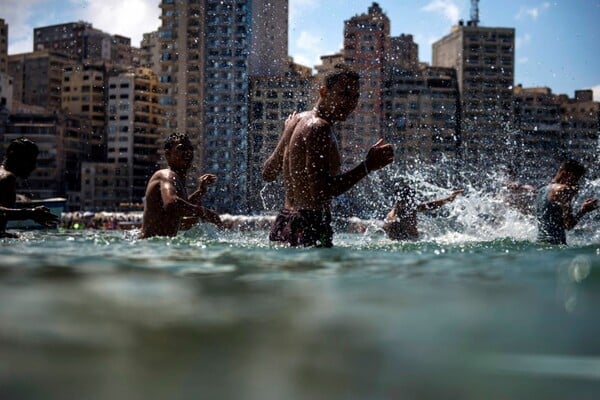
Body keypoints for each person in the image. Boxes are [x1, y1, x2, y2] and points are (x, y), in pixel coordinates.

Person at [262, 64, 394, 247]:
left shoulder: (296, 120)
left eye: (355, 96)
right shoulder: (319, 128)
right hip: (310, 224)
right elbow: (321, 192)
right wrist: (367, 166)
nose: (350, 103)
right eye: (344, 94)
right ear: (323, 92)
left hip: (284, 221)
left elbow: (267, 173)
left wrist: (286, 137)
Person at [140, 133, 222, 239]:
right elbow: (172, 204)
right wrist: (203, 212)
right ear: (168, 154)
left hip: (159, 247)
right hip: (151, 248)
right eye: (181, 148)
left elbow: (181, 207)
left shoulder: (177, 180)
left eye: (190, 149)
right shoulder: (166, 175)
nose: (188, 152)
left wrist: (200, 191)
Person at [0, 137, 59, 238]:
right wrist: (31, 213)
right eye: (30, 160)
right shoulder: (7, 178)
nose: (34, 166)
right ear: (14, 156)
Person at [536, 160, 598, 245]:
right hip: (556, 245)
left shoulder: (541, 191)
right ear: (566, 173)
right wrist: (584, 210)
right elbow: (569, 224)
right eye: (575, 178)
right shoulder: (563, 190)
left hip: (540, 243)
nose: (575, 183)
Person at [383, 184, 463, 241]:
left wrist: (448, 199)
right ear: (399, 202)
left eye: (412, 200)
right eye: (410, 201)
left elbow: (430, 205)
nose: (413, 203)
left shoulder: (409, 207)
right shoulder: (392, 220)